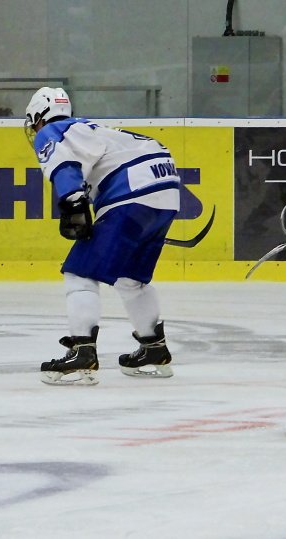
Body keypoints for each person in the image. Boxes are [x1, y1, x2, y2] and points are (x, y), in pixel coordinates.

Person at [24, 87, 181, 385]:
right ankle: (154, 349)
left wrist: (72, 201)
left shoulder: (54, 130)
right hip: (167, 195)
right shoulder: (98, 131)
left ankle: (82, 352)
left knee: (79, 274)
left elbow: (64, 166)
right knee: (130, 279)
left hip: (132, 193)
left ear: (40, 117)